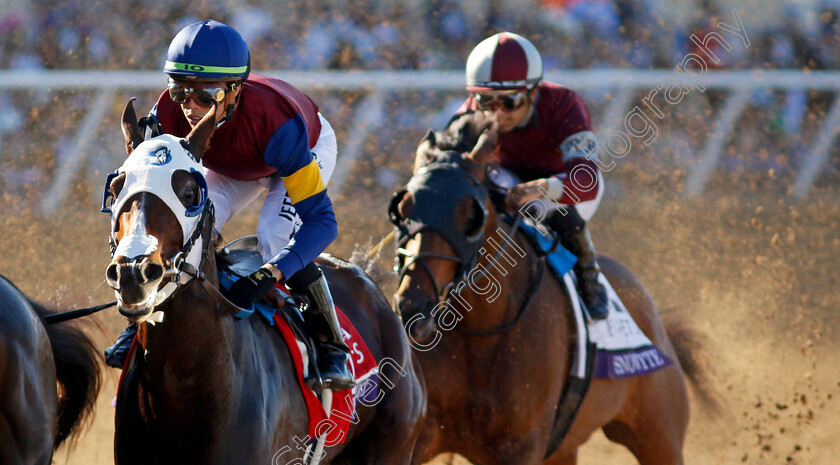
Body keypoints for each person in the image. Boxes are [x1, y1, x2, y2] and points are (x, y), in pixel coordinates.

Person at [105, 20, 354, 390]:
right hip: (233, 164)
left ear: (235, 90)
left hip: (298, 151)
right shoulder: (166, 114)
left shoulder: (277, 128)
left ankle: (330, 343)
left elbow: (322, 222)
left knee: (275, 235)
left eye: (206, 97)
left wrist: (267, 275)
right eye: (180, 92)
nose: (190, 107)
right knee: (187, 226)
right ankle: (144, 320)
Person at [452, 31, 609, 320]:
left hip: (564, 183)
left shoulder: (563, 104)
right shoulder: (469, 112)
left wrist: (540, 188)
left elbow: (587, 182)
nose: (498, 113)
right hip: (508, 179)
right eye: (487, 102)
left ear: (533, 92)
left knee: (541, 208)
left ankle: (588, 274)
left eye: (510, 101)